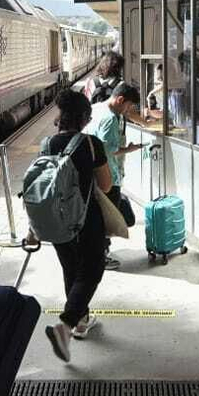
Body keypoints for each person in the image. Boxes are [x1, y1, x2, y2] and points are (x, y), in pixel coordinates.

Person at [38, 89, 111, 361]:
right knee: (92, 271)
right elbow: (106, 184)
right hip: (86, 220)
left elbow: (41, 187)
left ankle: (81, 322)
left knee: (72, 270)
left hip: (56, 222)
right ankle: (66, 325)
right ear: (83, 118)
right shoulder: (91, 144)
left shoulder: (47, 144)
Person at [85, 81, 144, 269]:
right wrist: (129, 149)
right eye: (128, 106)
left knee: (95, 216)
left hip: (91, 173)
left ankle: (97, 253)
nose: (128, 111)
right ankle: (100, 257)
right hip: (107, 176)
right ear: (120, 99)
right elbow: (107, 150)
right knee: (106, 220)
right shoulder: (111, 118)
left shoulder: (95, 108)